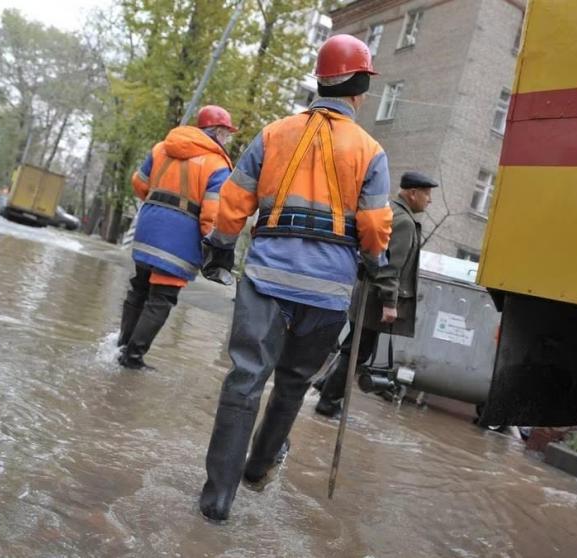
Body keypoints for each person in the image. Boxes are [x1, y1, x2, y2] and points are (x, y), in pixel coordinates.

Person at [197, 34, 392, 522]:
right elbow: (372, 229)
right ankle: (258, 469)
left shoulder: (272, 134)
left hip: (265, 278)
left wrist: (220, 250)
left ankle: (217, 501)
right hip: (327, 293)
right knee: (292, 385)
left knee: (245, 379)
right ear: (359, 86)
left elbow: (234, 204)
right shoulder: (371, 151)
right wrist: (375, 261)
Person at [116, 105, 237, 369]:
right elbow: (211, 216)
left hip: (148, 226)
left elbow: (139, 183)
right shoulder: (217, 164)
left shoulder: (162, 148)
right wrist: (214, 247)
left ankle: (122, 347)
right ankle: (133, 358)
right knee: (162, 297)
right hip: (179, 238)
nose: (228, 138)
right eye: (227, 133)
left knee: (139, 287)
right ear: (217, 131)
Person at [315, 171, 437, 417]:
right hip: (376, 298)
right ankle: (329, 402)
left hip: (369, 293)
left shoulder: (391, 211)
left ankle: (325, 386)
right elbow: (390, 266)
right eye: (427, 194)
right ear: (412, 193)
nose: (429, 200)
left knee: (353, 347)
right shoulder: (403, 221)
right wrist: (390, 303)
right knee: (357, 352)